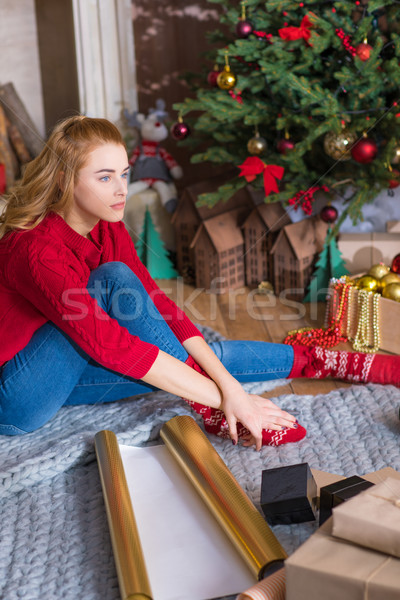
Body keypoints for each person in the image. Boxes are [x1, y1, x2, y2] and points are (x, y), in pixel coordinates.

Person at [0, 116, 398, 448]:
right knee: (116, 284)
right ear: (66, 181)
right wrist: (226, 399)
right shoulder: (34, 248)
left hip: (70, 370)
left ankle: (331, 361)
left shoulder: (106, 223)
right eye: (105, 178)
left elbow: (157, 303)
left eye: (124, 173)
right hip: (17, 396)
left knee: (192, 359)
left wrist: (227, 387)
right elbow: (111, 344)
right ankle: (213, 405)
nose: (122, 189)